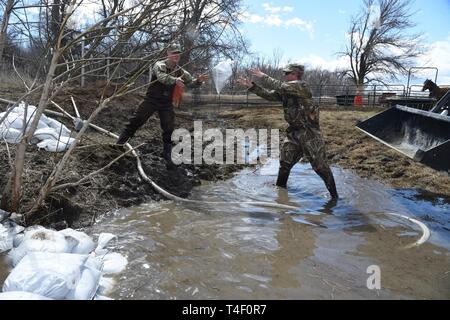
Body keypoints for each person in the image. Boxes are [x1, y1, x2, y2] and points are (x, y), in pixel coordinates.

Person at [238, 64, 338, 199]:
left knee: (320, 167)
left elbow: (279, 86)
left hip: (310, 134)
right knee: (285, 163)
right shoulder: (286, 90)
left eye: (286, 73)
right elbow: (270, 95)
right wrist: (252, 87)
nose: (284, 76)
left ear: (295, 74)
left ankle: (335, 197)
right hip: (293, 133)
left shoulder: (301, 86)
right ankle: (280, 192)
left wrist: (263, 76)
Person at [116, 43, 208, 169]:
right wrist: (175, 80)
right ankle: (120, 143)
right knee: (137, 120)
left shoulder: (181, 71)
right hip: (152, 99)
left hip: (166, 103)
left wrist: (199, 81)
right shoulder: (160, 65)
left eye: (178, 53)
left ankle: (167, 153)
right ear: (168, 54)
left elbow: (190, 82)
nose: (176, 55)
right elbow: (161, 77)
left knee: (169, 127)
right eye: (173, 53)